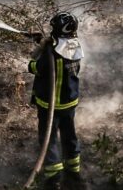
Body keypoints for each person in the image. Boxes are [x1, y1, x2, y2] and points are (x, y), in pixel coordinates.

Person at [27, 12, 87, 190]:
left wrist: (31, 62)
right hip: (69, 102)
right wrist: (41, 42)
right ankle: (73, 172)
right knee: (69, 135)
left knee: (49, 138)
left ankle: (53, 178)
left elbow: (37, 68)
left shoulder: (51, 53)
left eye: (53, 28)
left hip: (50, 105)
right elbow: (58, 50)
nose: (51, 31)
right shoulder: (74, 46)